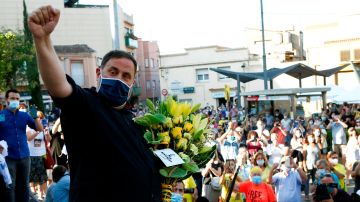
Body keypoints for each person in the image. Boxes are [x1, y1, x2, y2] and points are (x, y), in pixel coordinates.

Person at [28, 5, 160, 201]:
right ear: (99, 73)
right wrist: (42, 39)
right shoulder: (86, 105)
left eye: (126, 76)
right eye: (113, 72)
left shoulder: (135, 123)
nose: (119, 79)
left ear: (132, 83)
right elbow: (59, 86)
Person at [0, 89, 43, 202]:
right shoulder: (1, 116)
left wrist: (35, 116)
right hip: (8, 158)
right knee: (9, 186)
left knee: (24, 187)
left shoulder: (24, 116)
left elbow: (39, 129)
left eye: (18, 99)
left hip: (24, 156)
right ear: (6, 100)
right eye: (12, 98)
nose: (15, 101)